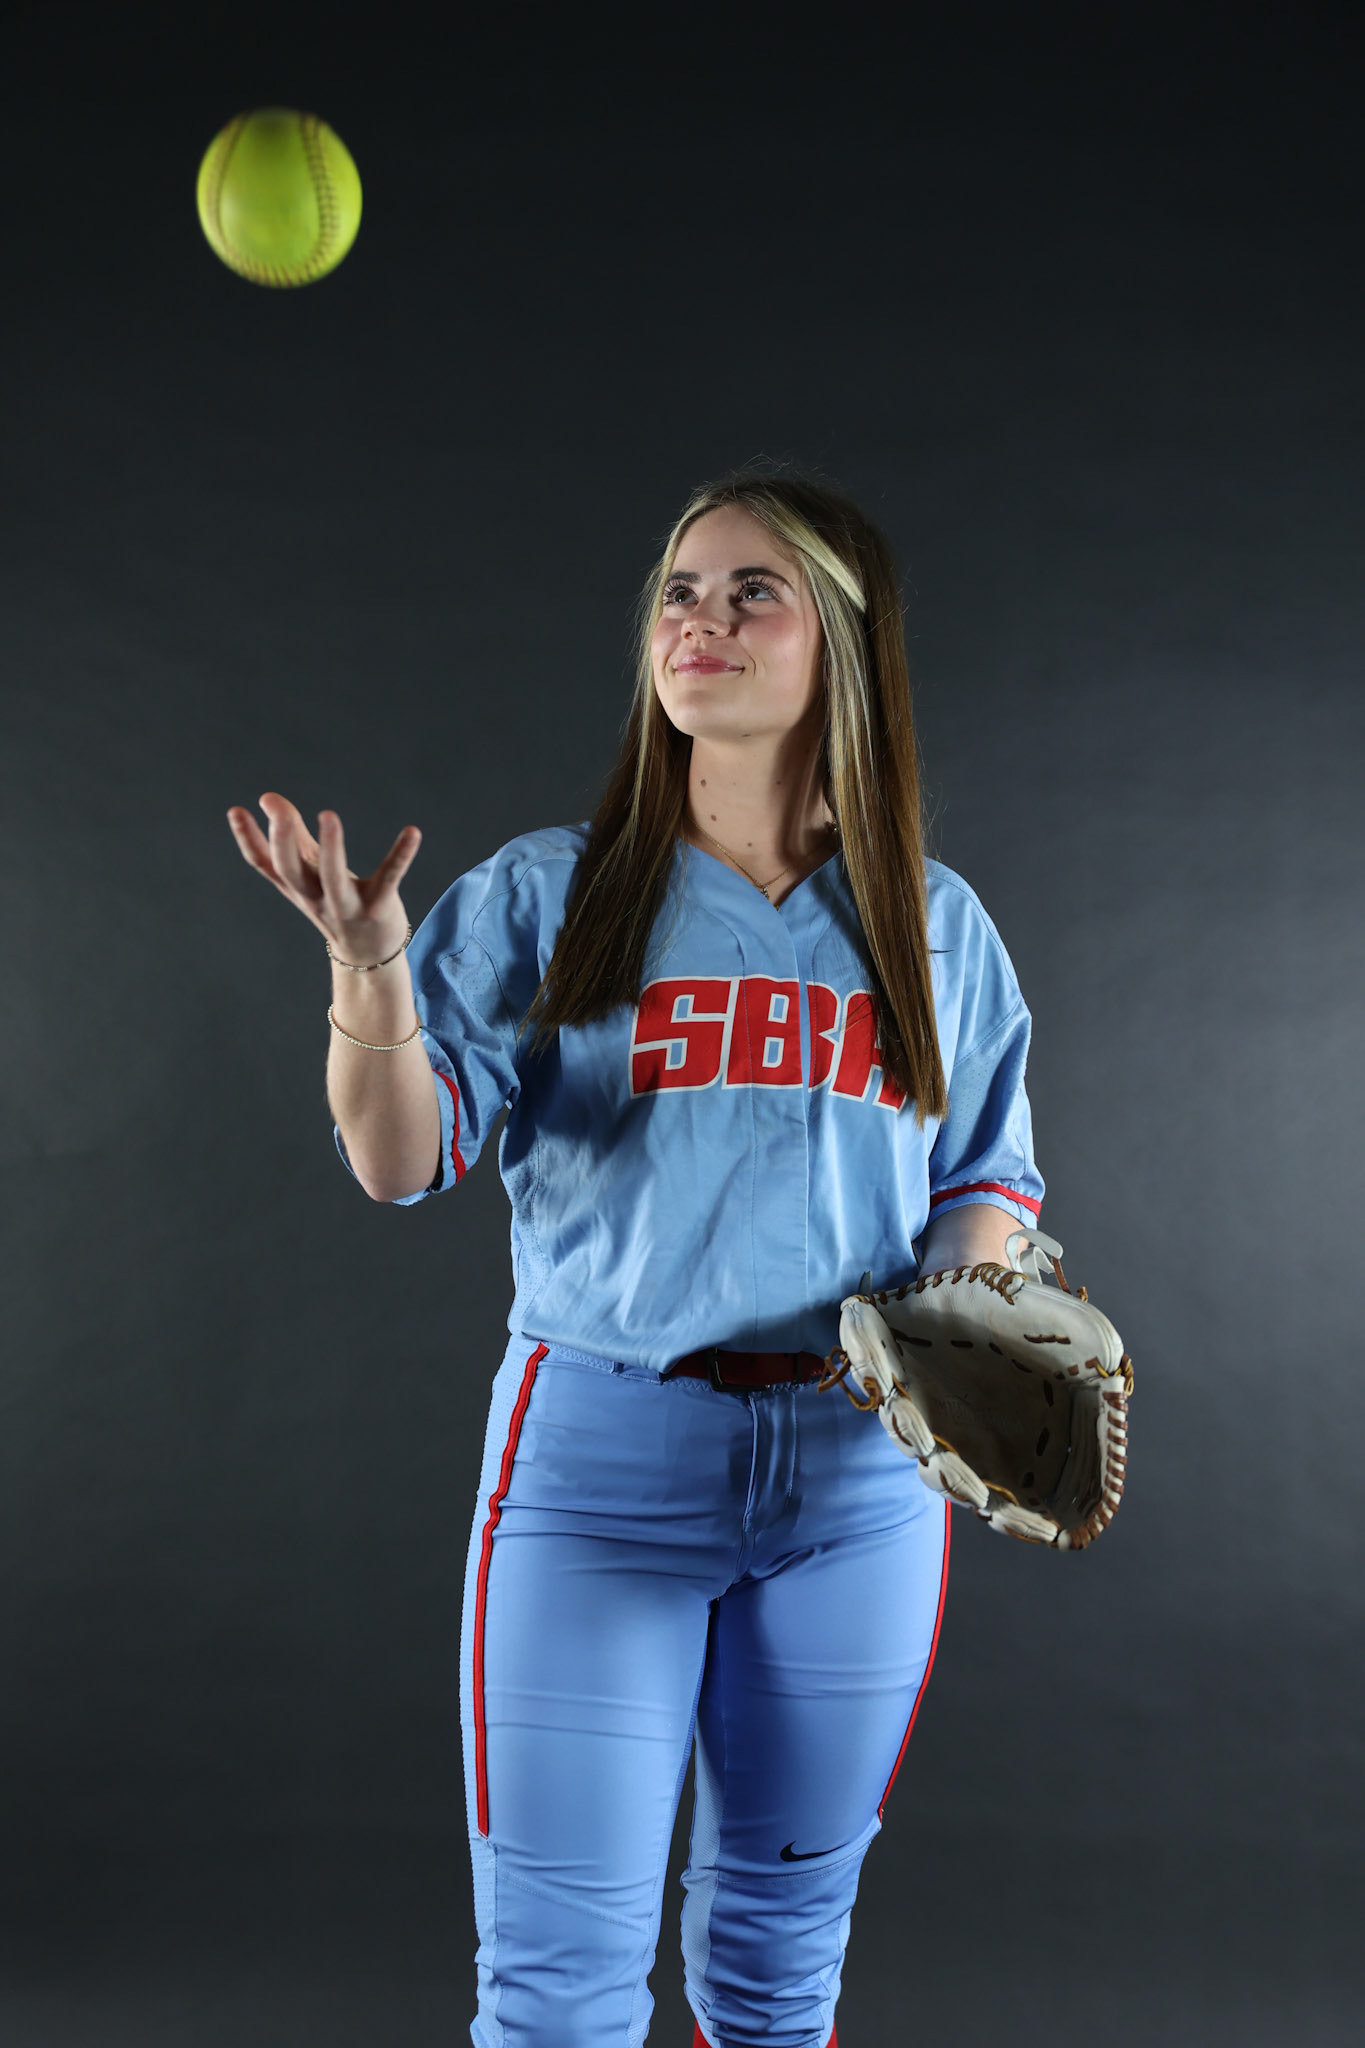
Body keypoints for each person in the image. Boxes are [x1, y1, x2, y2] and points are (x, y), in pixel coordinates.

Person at [226, 470, 1044, 2048]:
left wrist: (969, 1304)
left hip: (852, 1487)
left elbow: (981, 1177)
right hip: (598, 1471)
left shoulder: (931, 923)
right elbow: (400, 1160)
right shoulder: (550, 891)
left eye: (754, 592)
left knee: (777, 1976)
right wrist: (371, 973)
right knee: (556, 1995)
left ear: (847, 653)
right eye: (680, 589)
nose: (700, 619)